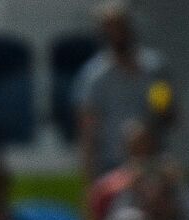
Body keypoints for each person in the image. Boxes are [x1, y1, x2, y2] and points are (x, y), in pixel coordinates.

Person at [75, 0, 176, 183]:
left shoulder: (155, 69)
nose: (117, 33)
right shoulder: (93, 77)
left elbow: (169, 116)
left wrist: (164, 111)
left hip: (153, 165)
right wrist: (89, 180)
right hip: (111, 166)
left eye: (121, 26)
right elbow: (88, 133)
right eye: (110, 28)